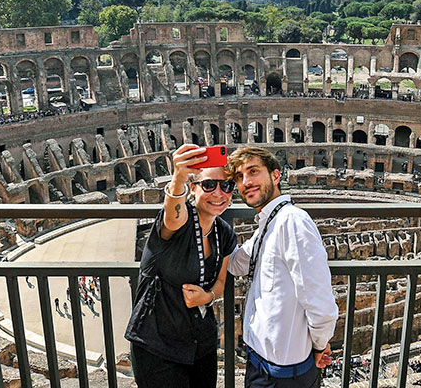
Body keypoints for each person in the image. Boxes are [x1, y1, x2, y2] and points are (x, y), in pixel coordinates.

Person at [125, 144, 237, 388]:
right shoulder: (179, 222)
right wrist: (178, 179)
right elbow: (173, 214)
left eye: (227, 186)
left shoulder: (225, 233)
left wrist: (207, 297)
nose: (219, 193)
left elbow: (220, 282)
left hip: (201, 344)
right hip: (158, 344)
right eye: (209, 185)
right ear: (193, 188)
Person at [228, 146, 338, 387]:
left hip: (283, 376)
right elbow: (236, 264)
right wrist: (208, 214)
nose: (246, 182)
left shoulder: (293, 222)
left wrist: (320, 346)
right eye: (239, 177)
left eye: (253, 171)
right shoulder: (268, 225)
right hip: (260, 366)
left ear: (275, 176)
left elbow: (320, 301)